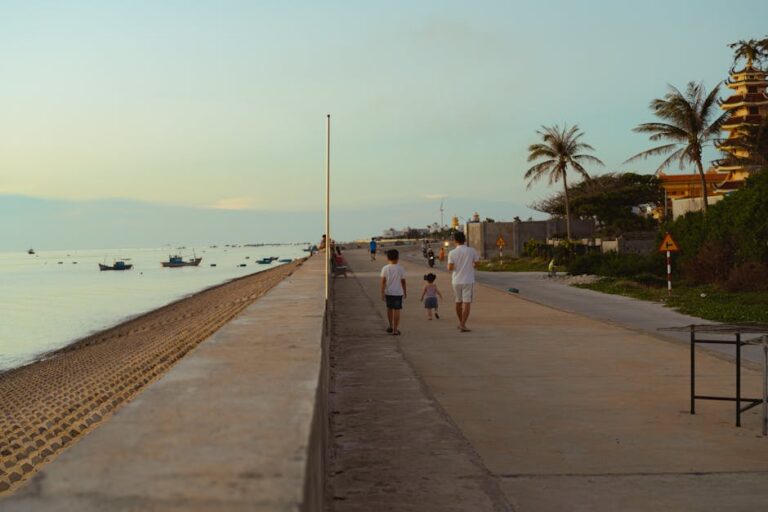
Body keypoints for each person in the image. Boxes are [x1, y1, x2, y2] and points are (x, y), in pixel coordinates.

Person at [447, 231, 478, 332]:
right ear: (464, 239)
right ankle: (463, 324)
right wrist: (470, 265)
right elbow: (477, 264)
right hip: (468, 280)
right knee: (467, 303)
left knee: (458, 302)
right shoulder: (472, 251)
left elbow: (450, 268)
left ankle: (461, 323)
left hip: (456, 280)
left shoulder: (452, 253)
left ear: (455, 240)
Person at [380, 249, 407, 335]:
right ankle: (395, 330)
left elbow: (383, 281)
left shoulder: (385, 268)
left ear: (387, 258)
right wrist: (405, 291)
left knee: (389, 309)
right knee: (397, 310)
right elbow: (403, 281)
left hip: (388, 292)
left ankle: (390, 326)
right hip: (398, 292)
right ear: (398, 258)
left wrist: (382, 292)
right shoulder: (401, 268)